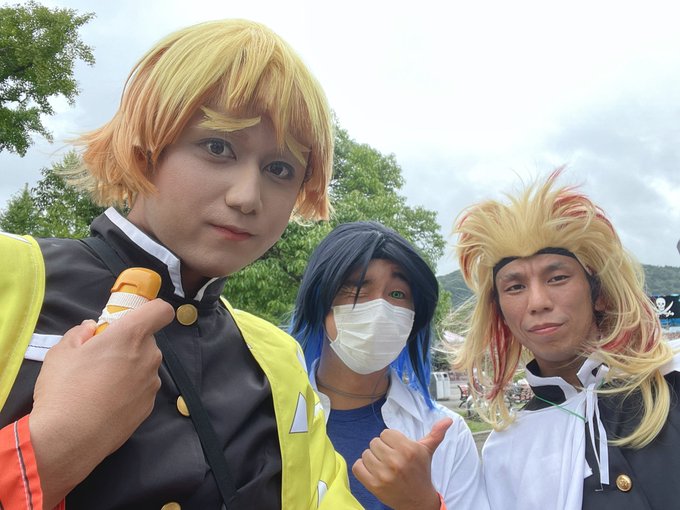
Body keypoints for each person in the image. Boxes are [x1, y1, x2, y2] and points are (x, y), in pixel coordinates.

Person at [0, 19, 362, 510]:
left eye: (279, 169)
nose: (247, 197)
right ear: (147, 145)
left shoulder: (280, 358)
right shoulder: (10, 275)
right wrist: (49, 448)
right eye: (217, 147)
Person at [453, 170, 680, 509]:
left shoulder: (671, 382)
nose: (537, 302)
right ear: (501, 313)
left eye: (557, 277)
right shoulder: (505, 450)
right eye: (515, 287)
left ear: (598, 294)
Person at [290, 221, 488, 510]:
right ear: (319, 301)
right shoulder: (272, 413)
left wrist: (424, 504)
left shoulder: (447, 433)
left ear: (413, 318)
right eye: (356, 289)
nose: (380, 309)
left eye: (397, 294)